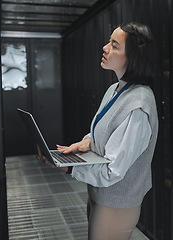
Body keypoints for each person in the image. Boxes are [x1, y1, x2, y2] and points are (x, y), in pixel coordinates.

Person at [38, 22, 158, 240]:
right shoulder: (115, 90)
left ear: (132, 57)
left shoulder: (139, 105)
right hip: (100, 196)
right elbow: (106, 131)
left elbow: (113, 170)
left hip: (116, 206)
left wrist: (69, 168)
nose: (105, 48)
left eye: (114, 45)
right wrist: (85, 143)